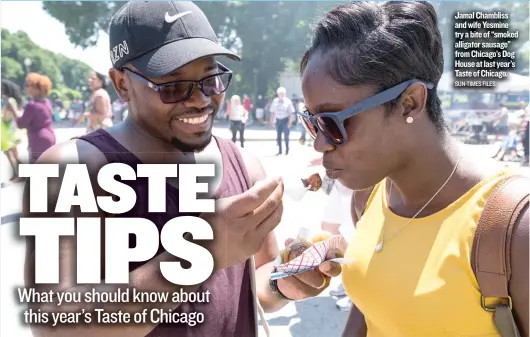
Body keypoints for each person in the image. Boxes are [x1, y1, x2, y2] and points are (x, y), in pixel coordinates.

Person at [24, 2, 341, 337]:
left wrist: (284, 284)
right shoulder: (76, 169)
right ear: (121, 84)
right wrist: (199, 254)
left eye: (211, 80)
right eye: (172, 86)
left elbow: (260, 279)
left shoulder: (244, 166)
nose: (200, 100)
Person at [298, 2, 528, 336]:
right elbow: (369, 313)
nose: (319, 143)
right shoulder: (369, 196)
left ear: (410, 102)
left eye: (331, 122)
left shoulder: (513, 227)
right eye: (311, 122)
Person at [14, 72, 56, 163]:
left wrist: (15, 112)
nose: (27, 88)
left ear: (37, 89)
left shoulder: (32, 105)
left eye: (29, 85)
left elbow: (21, 124)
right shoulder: (47, 102)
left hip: (38, 139)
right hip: (50, 136)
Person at [1, 79, 24, 183]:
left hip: (8, 131)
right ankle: (17, 174)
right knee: (11, 153)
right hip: (6, 130)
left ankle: (20, 174)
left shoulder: (9, 101)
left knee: (12, 154)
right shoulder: (8, 101)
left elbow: (7, 117)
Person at [270, 87, 295, 155]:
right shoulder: (275, 101)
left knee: (286, 136)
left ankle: (287, 150)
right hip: (278, 120)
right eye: (280, 93)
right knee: (278, 136)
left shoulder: (288, 101)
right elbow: (273, 112)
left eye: (283, 93)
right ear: (278, 94)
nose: (281, 95)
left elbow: (291, 113)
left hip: (285, 120)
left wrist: (290, 122)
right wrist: (272, 121)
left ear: (285, 94)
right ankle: (280, 151)